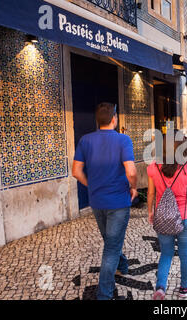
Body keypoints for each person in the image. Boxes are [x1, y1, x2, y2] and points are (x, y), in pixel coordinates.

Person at [72, 102, 138, 300]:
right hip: (118, 201)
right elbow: (131, 171)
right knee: (111, 246)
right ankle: (104, 294)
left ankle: (123, 265)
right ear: (114, 119)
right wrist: (133, 187)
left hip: (97, 201)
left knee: (110, 241)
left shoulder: (85, 140)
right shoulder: (123, 140)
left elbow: (76, 172)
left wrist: (91, 186)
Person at [147, 135, 187, 300]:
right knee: (185, 253)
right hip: (185, 217)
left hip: (163, 217)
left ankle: (160, 287)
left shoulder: (153, 168)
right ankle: (184, 287)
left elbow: (151, 194)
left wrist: (150, 212)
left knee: (166, 253)